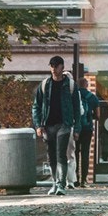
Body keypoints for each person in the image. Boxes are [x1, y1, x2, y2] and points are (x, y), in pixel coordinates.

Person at [32, 56, 80, 195]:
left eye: (56, 66)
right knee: (51, 156)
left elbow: (77, 108)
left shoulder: (70, 85)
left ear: (62, 67)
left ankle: (61, 184)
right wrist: (38, 125)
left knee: (61, 154)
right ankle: (55, 182)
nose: (53, 68)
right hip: (48, 125)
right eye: (51, 65)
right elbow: (36, 106)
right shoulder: (45, 85)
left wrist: (76, 128)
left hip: (64, 124)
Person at [71, 64, 100, 188]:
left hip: (76, 128)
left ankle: (75, 179)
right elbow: (98, 116)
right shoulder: (93, 98)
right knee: (85, 153)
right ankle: (84, 180)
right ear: (87, 85)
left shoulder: (73, 96)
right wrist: (90, 117)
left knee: (75, 153)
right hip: (87, 129)